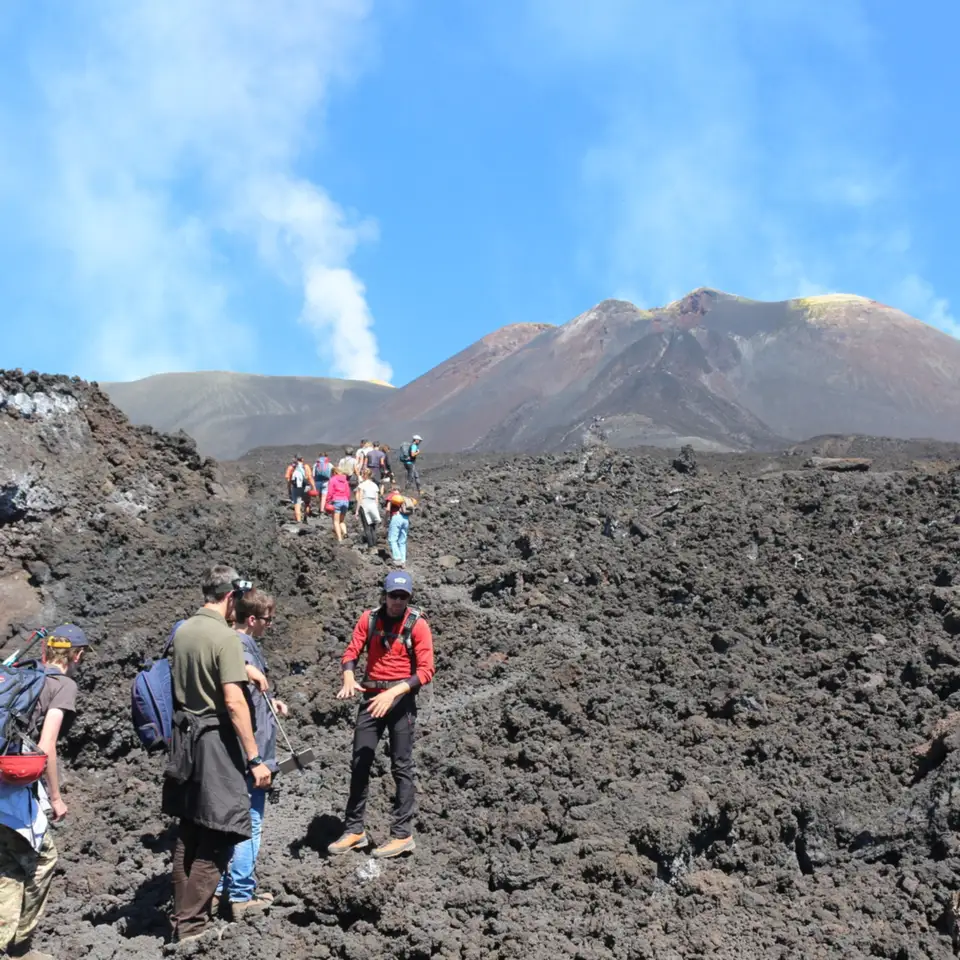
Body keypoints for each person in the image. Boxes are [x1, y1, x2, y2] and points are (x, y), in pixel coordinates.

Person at [162, 565, 272, 944]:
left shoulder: (184, 630)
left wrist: (244, 668)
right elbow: (233, 701)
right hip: (214, 742)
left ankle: (183, 920)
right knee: (222, 832)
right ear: (229, 597)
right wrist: (255, 758)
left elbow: (201, 664)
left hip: (184, 740)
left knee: (189, 833)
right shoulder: (224, 636)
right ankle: (192, 928)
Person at [328, 571, 435, 859]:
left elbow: (425, 671)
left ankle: (402, 834)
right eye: (393, 595)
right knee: (360, 761)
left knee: (401, 766)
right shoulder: (369, 619)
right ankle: (354, 830)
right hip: (371, 698)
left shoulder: (418, 625)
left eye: (403, 597)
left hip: (399, 701)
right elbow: (351, 652)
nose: (398, 601)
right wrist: (348, 676)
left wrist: (393, 693)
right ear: (384, 595)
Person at [0, 624, 89, 960]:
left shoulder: (17, 675)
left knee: (8, 861)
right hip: (11, 791)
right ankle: (17, 946)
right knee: (34, 862)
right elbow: (46, 746)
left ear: (44, 651)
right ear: (76, 655)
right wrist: (55, 797)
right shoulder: (62, 685)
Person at [216, 590, 287, 917]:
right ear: (253, 618)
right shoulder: (240, 646)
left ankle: (222, 889)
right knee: (250, 823)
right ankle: (241, 894)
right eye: (267, 619)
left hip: (247, 748)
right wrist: (257, 758)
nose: (270, 625)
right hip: (252, 752)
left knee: (236, 822)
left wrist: (270, 703)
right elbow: (237, 685)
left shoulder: (241, 645)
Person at [386, 489, 416, 565]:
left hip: (396, 517)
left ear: (392, 490)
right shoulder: (404, 498)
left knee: (392, 539)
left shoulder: (391, 496)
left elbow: (388, 509)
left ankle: (397, 558)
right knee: (402, 541)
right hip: (406, 519)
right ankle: (403, 561)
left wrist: (385, 520)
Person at [356, 469, 382, 552]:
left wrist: (357, 511)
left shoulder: (362, 485)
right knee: (373, 528)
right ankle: (375, 546)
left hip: (364, 506)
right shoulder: (375, 485)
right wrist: (376, 508)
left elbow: (360, 499)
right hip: (373, 506)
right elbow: (377, 499)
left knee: (367, 527)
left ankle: (371, 547)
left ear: (364, 475)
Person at [326, 468, 352, 543]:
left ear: (334, 473)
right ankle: (345, 533)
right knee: (342, 521)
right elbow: (348, 493)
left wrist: (327, 502)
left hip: (337, 501)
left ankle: (340, 539)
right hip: (345, 501)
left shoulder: (332, 480)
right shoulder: (345, 481)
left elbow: (330, 492)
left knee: (336, 521)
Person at [288, 456, 315, 524]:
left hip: (296, 488)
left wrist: (289, 490)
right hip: (306, 487)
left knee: (297, 504)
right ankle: (305, 517)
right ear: (302, 459)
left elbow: (289, 480)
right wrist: (314, 487)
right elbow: (310, 478)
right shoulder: (306, 466)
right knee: (307, 503)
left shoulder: (291, 467)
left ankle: (299, 521)